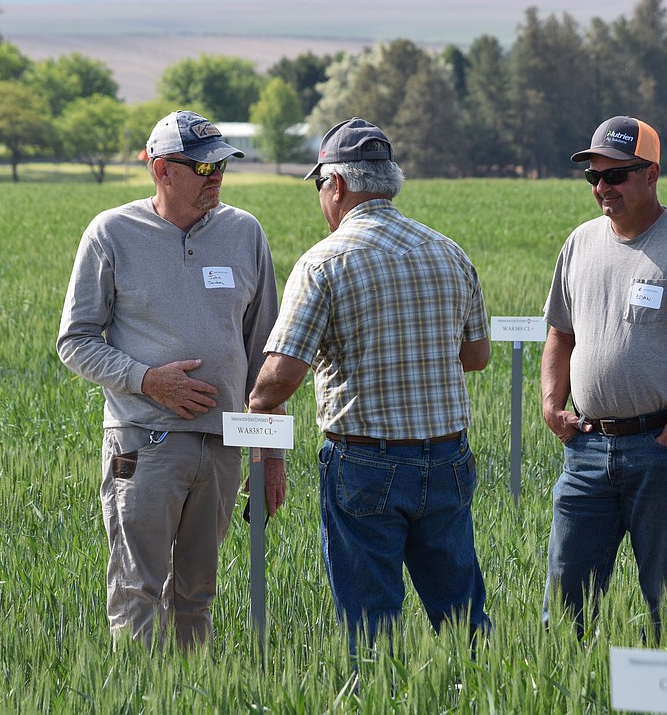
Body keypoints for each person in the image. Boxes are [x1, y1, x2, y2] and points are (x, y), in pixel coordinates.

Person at [246, 117, 492, 657]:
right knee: (462, 617)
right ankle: (483, 693)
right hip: (447, 457)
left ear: (335, 185)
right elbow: (476, 357)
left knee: (370, 626)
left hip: (364, 463)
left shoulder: (323, 263)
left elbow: (282, 376)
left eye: (319, 187)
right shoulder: (448, 251)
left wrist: (255, 403)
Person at [57, 110, 286, 650]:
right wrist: (146, 380)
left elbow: (266, 358)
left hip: (225, 447)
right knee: (138, 591)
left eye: (221, 165)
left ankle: (188, 694)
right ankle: (140, 697)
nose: (216, 177)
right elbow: (75, 340)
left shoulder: (243, 232)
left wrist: (272, 455)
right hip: (145, 444)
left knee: (197, 593)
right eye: (203, 165)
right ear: (161, 169)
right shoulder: (111, 232)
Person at [540, 115, 667, 639]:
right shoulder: (579, 243)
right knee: (565, 603)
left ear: (651, 174)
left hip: (660, 449)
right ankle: (567, 690)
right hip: (586, 450)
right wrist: (551, 406)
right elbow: (560, 334)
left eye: (616, 175)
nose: (603, 188)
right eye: (593, 178)